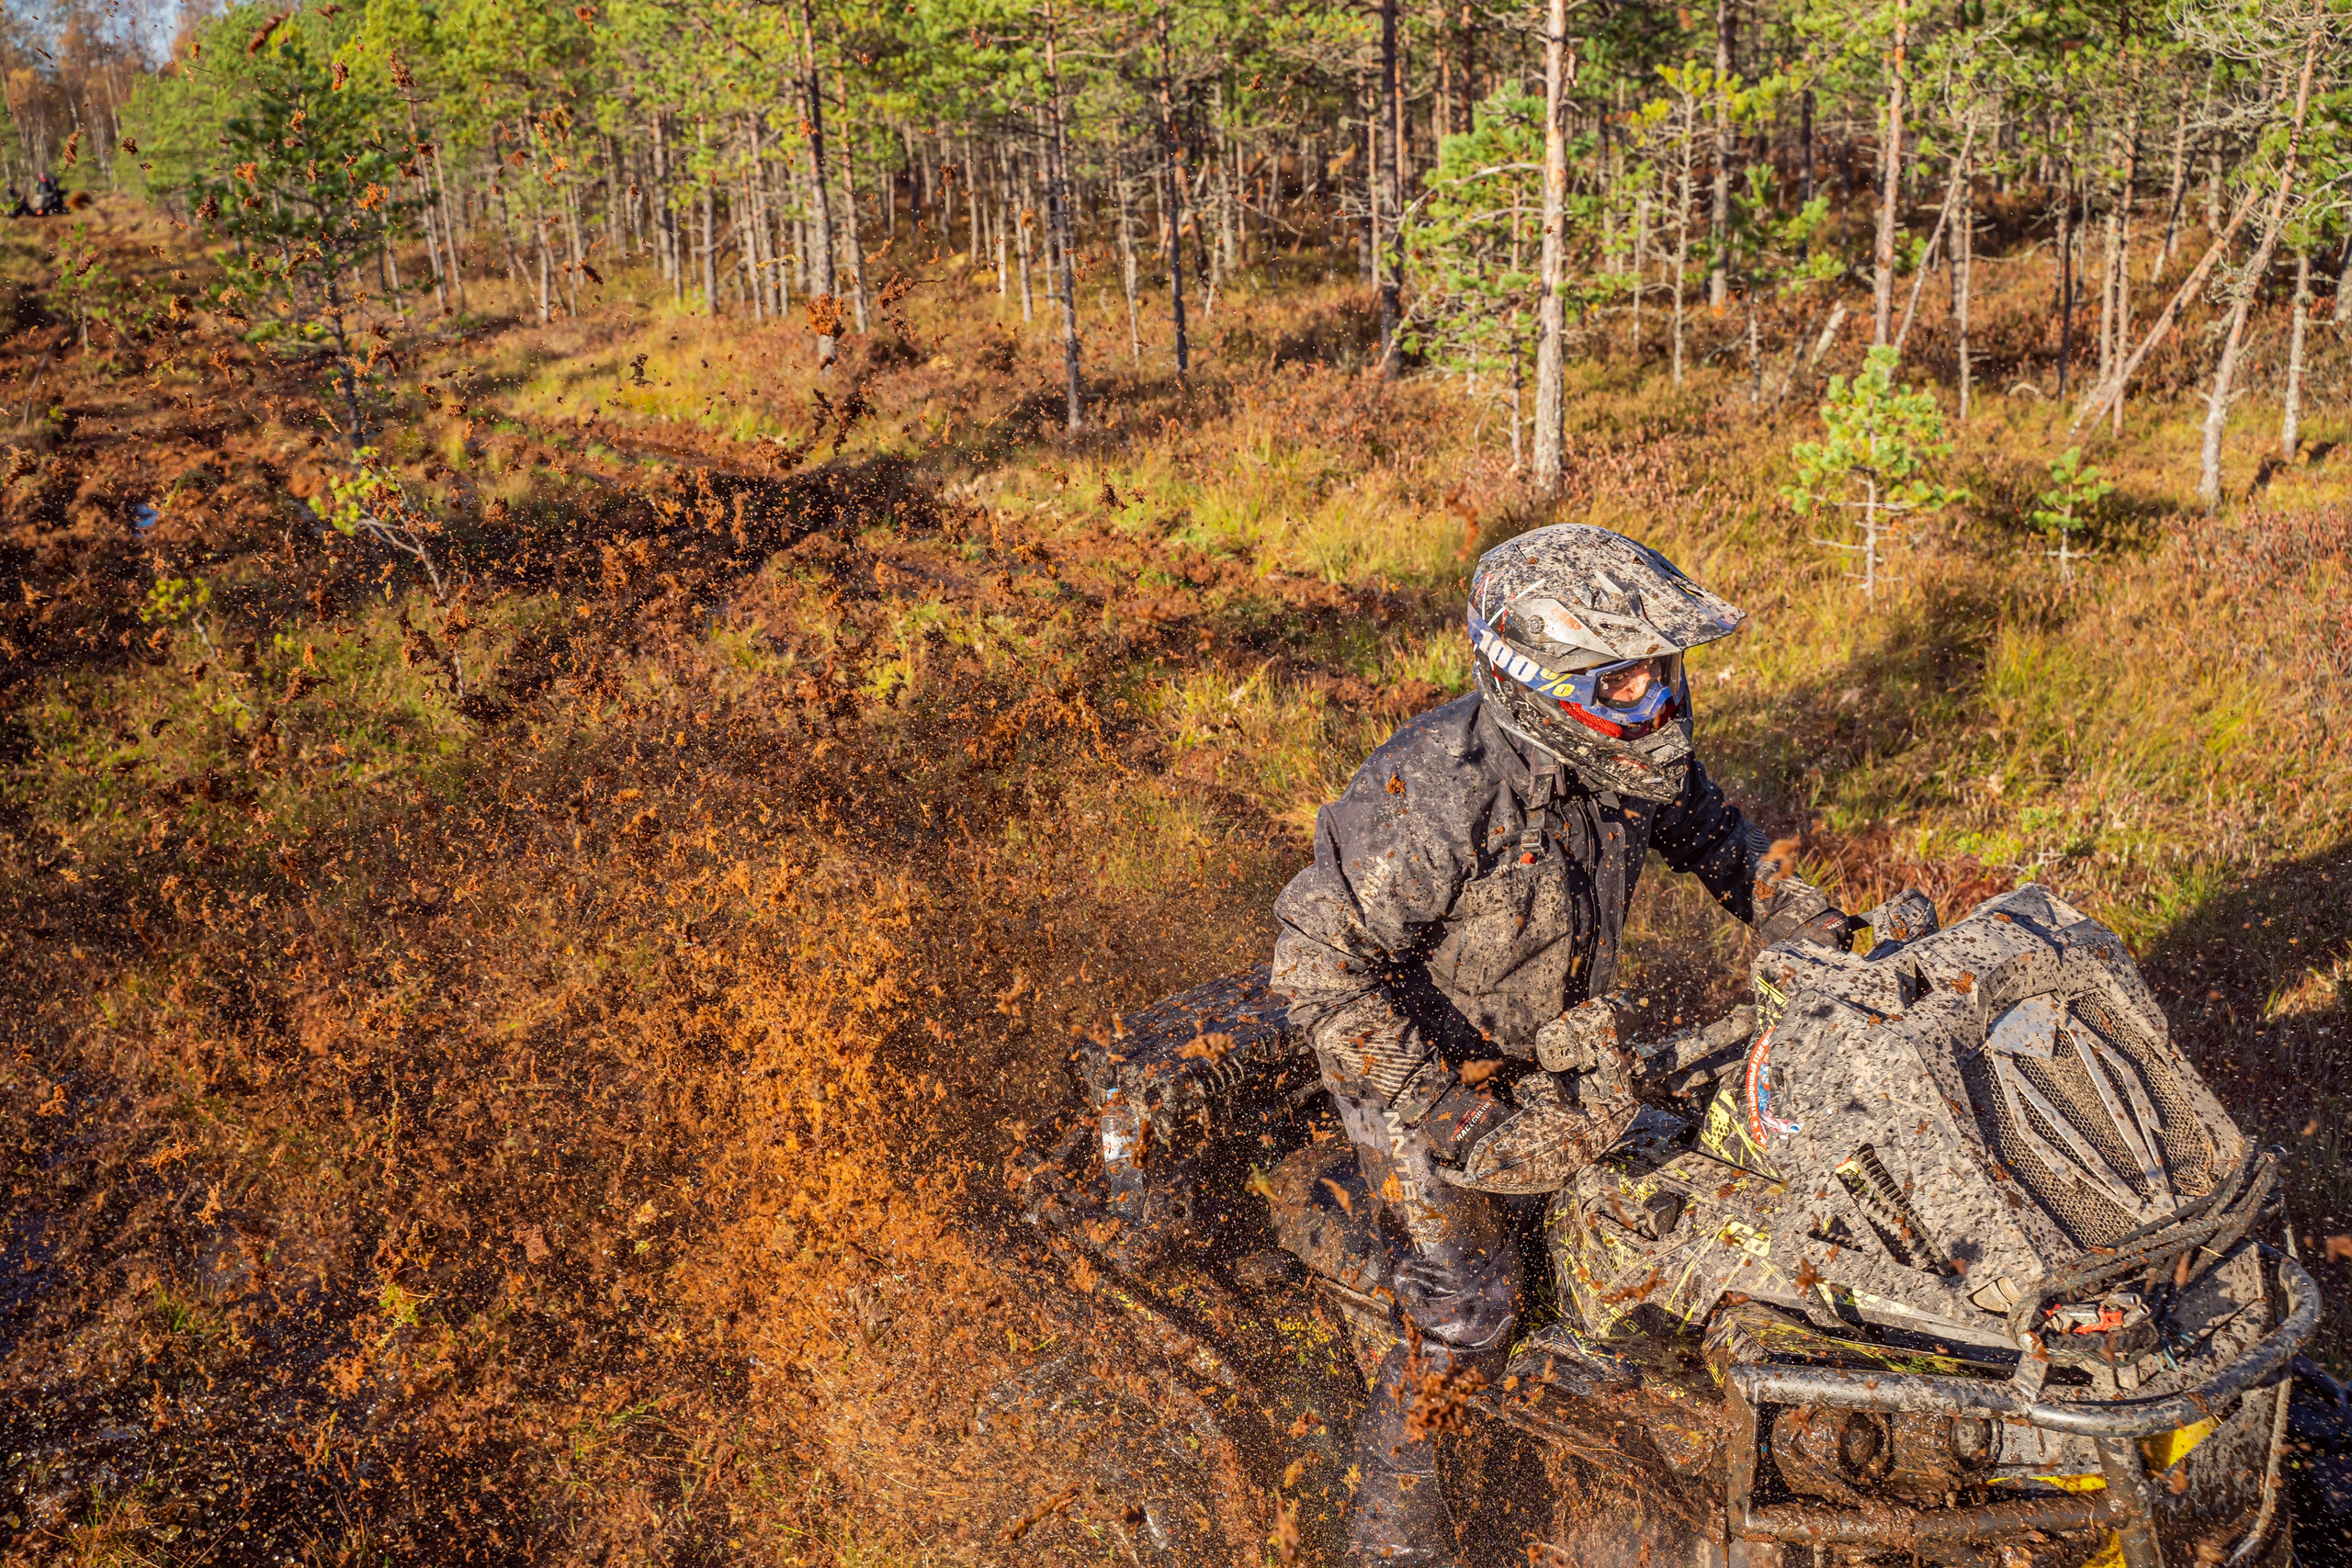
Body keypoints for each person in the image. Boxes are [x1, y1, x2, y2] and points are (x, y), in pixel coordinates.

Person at [1270, 524, 1853, 1565]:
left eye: (1662, 673)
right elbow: (1317, 970)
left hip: (1551, 1052)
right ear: (1538, 679)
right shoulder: (1438, 795)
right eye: (1626, 682)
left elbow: (1720, 838)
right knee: (1467, 1311)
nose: (1658, 701)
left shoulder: (1627, 757)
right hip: (1407, 1069)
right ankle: (1390, 1543)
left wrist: (1822, 935)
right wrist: (1446, 1109)